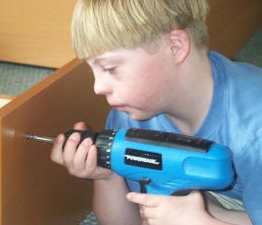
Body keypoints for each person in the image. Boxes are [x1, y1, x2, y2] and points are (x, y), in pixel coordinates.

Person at [50, 0, 262, 224]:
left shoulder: (253, 129)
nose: (97, 87)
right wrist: (107, 176)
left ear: (175, 47)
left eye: (110, 68)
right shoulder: (131, 115)